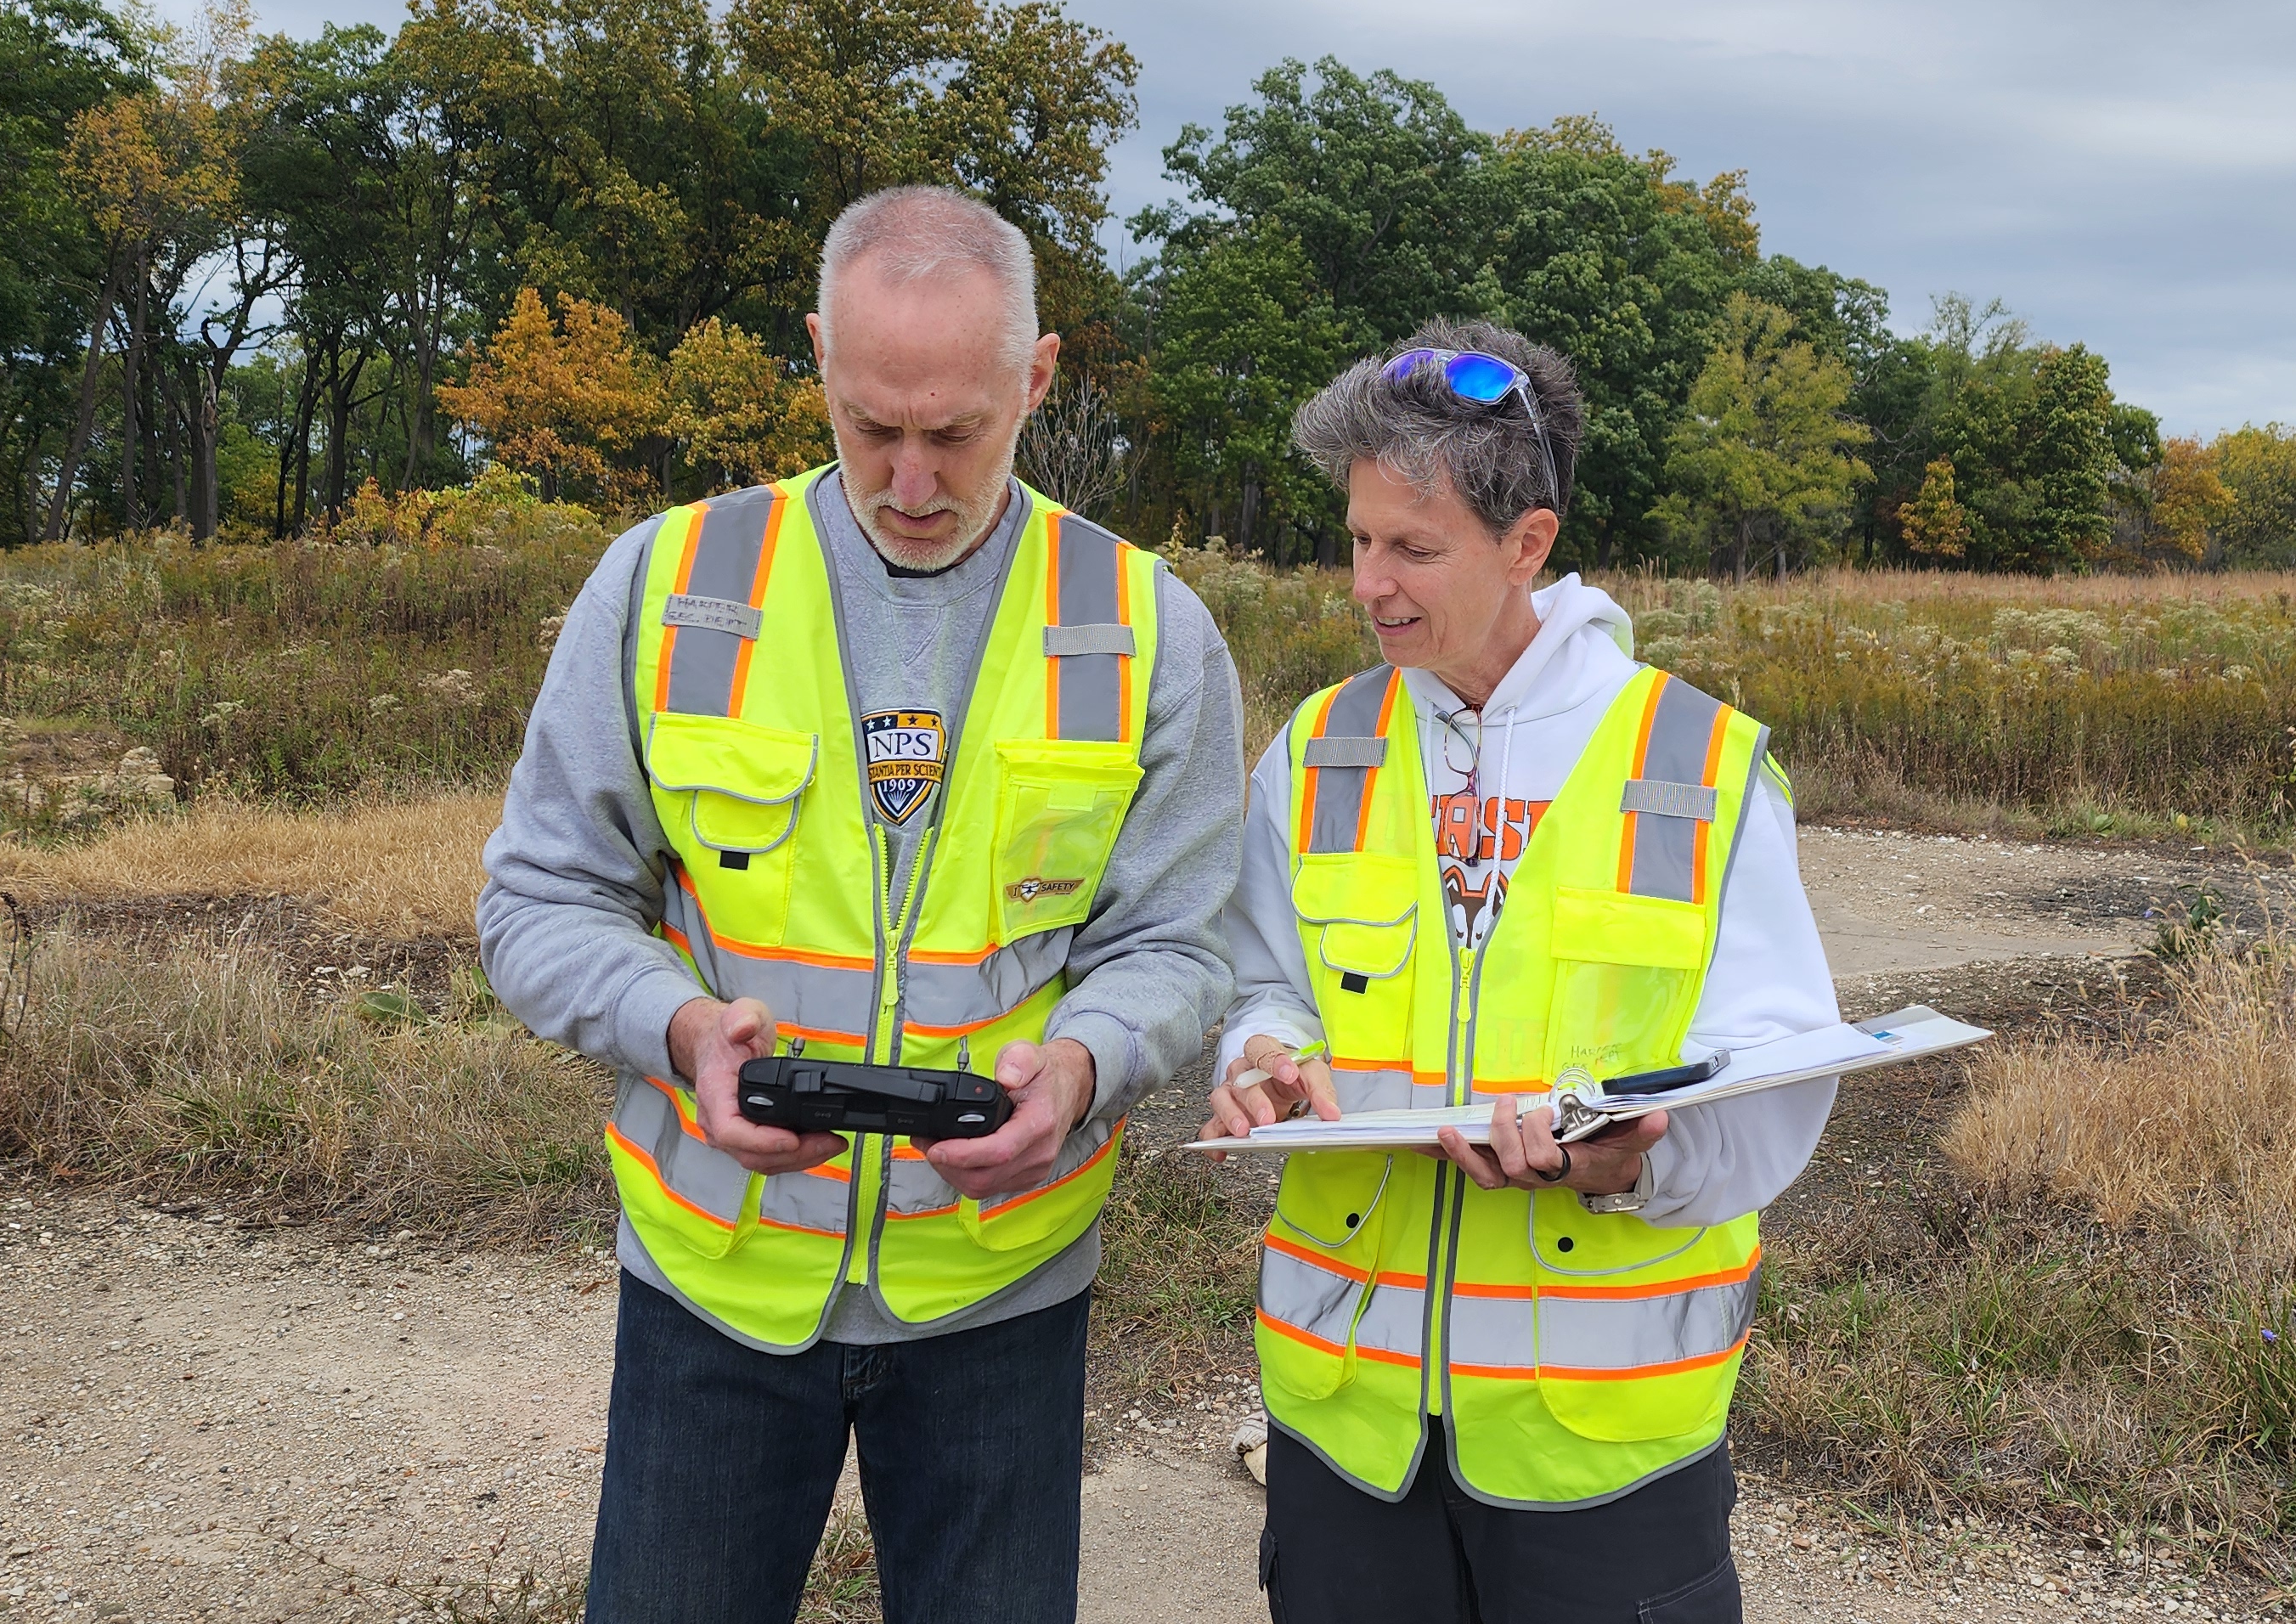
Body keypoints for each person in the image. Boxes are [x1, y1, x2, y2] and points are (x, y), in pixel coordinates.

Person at [477, 185, 1244, 1624]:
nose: (910, 479)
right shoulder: (669, 584)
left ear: (1038, 378)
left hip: (999, 1291)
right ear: (820, 356)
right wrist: (678, 1030)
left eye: (956, 433)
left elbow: (1177, 943)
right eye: (869, 424)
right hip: (714, 1282)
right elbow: (539, 899)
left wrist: (1085, 1068)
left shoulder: (1148, 626)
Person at [1204, 320, 1843, 1624]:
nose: (1369, 584)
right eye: (1358, 540)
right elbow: (1262, 981)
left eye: (1413, 548)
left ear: (1527, 543)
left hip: (1604, 1446)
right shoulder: (1319, 748)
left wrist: (1636, 1165)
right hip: (1347, 1420)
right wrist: (1260, 1055)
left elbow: (1782, 1075)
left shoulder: (1694, 764)